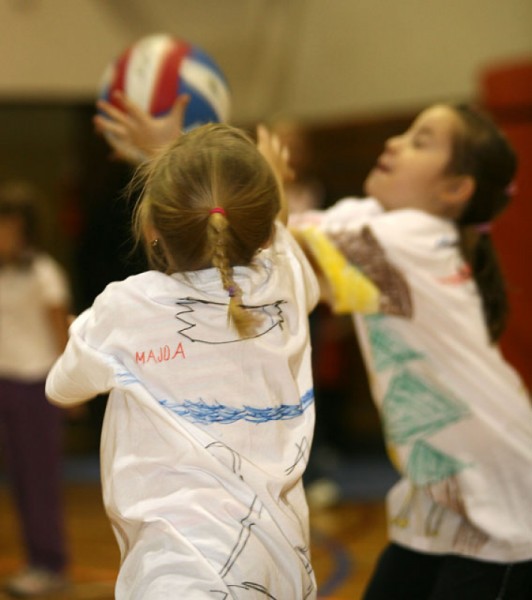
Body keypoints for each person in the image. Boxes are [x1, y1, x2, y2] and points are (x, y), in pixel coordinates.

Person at [45, 123, 320, 599]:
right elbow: (272, 234)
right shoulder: (286, 281)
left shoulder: (125, 308)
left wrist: (85, 333)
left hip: (181, 570)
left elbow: (61, 388)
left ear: (151, 229)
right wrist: (270, 188)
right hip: (283, 563)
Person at [290, 103, 532, 598]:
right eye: (404, 132)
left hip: (504, 510)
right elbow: (262, 246)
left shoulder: (409, 237)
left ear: (454, 189)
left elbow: (268, 241)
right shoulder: (372, 219)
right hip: (437, 503)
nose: (394, 143)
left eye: (421, 141)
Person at [0, 181, 71, 597]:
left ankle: (51, 563)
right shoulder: (4, 274)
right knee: (20, 482)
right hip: (6, 383)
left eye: (7, 224)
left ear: (24, 227)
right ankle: (35, 561)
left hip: (37, 386)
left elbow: (61, 335)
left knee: (41, 480)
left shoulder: (44, 273)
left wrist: (70, 390)